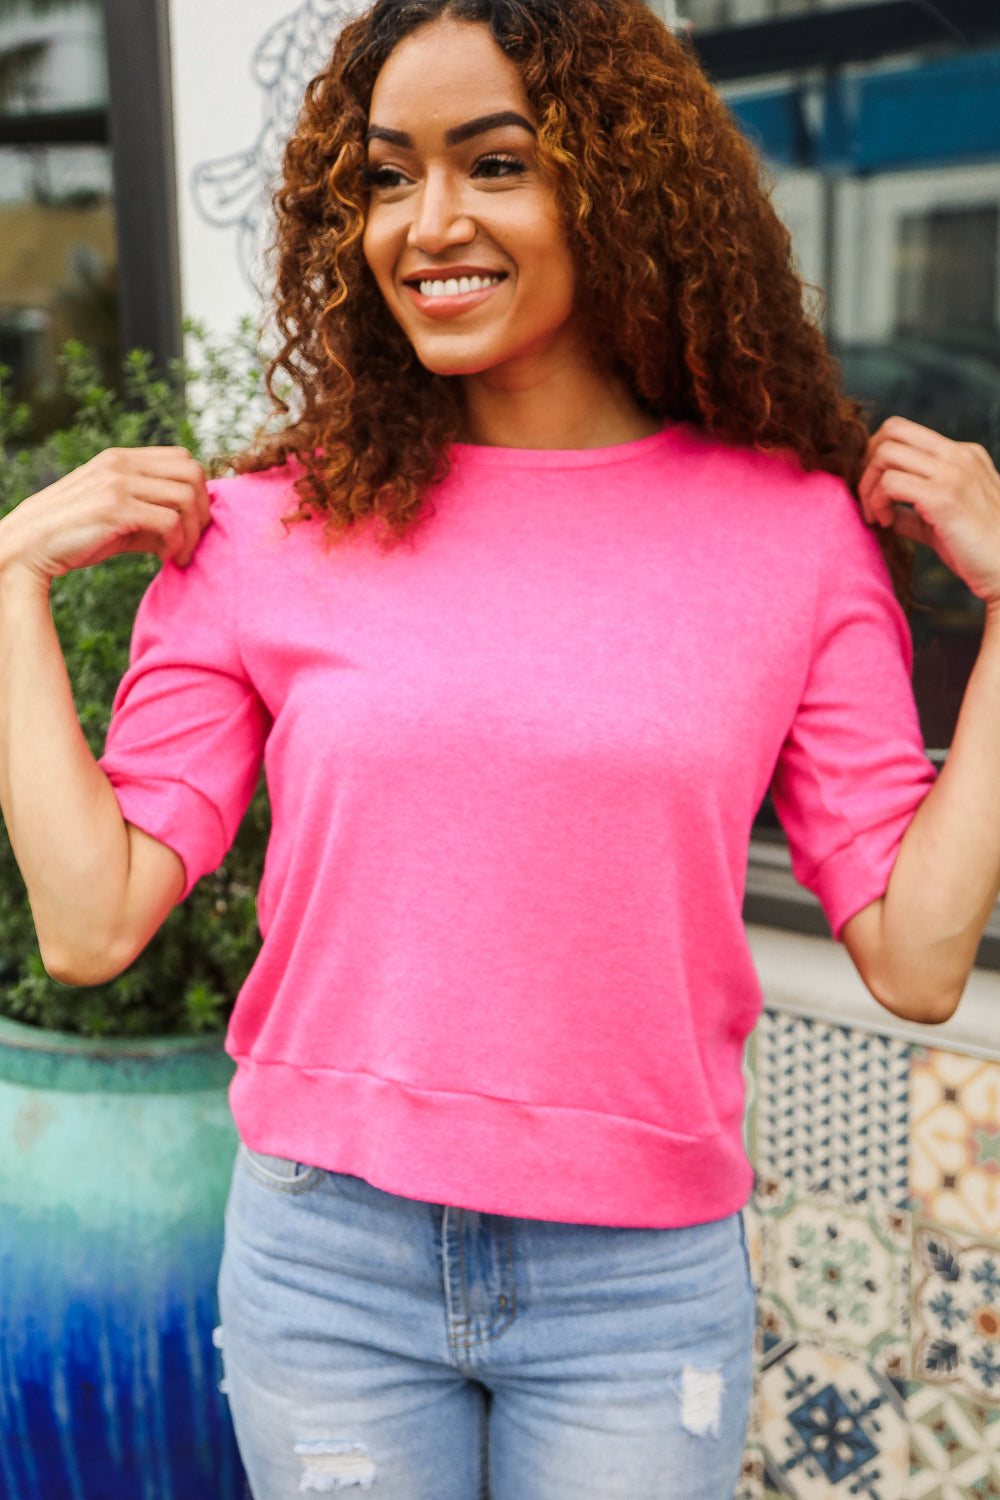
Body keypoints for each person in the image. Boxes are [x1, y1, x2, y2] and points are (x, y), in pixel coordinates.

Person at [1, 0, 999, 1495]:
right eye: (387, 175)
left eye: (495, 163)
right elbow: (90, 922)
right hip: (327, 1265)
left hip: (634, 1282)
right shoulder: (269, 528)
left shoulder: (792, 539)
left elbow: (918, 959)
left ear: (620, 184)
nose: (428, 221)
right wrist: (8, 581)